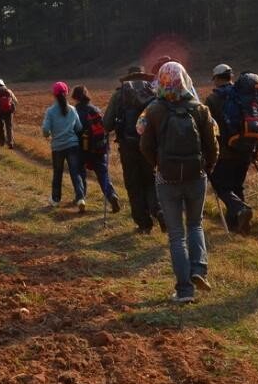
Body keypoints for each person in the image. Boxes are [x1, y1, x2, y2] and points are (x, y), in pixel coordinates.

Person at [139, 62, 219, 304]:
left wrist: (158, 165)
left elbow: (145, 145)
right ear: (185, 78)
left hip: (167, 178)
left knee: (176, 235)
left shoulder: (153, 110)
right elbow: (212, 145)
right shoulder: (200, 109)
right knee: (195, 225)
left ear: (161, 81)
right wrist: (207, 167)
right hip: (196, 176)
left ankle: (184, 291)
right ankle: (198, 270)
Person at [103, 66, 163, 233]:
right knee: (150, 180)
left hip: (128, 147)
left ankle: (143, 224)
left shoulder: (119, 94)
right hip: (150, 146)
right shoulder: (154, 93)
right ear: (144, 77)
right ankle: (159, 210)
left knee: (133, 184)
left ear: (128, 77)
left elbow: (107, 124)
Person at [205, 64, 255, 234]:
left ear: (217, 78)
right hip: (246, 150)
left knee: (220, 186)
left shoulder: (212, 99)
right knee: (237, 185)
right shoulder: (245, 96)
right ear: (230, 77)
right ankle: (237, 226)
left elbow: (208, 128)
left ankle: (240, 209)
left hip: (225, 153)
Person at [72, 85, 121, 213]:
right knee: (102, 174)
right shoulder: (96, 110)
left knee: (80, 172)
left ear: (75, 97)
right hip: (99, 148)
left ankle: (81, 197)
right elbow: (105, 127)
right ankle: (112, 196)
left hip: (82, 147)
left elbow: (74, 130)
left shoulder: (75, 111)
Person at [42, 82, 86, 212]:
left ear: (54, 95)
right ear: (66, 93)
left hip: (57, 147)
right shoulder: (72, 109)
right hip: (73, 145)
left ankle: (55, 200)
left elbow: (45, 129)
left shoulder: (50, 111)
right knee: (75, 172)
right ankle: (80, 198)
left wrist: (47, 134)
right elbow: (79, 127)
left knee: (58, 173)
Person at [0, 78, 18, 148]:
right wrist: (13, 108)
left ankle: (1, 142)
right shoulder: (8, 91)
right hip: (9, 112)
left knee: (0, 127)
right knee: (9, 127)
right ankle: (10, 142)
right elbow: (16, 101)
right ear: (3, 84)